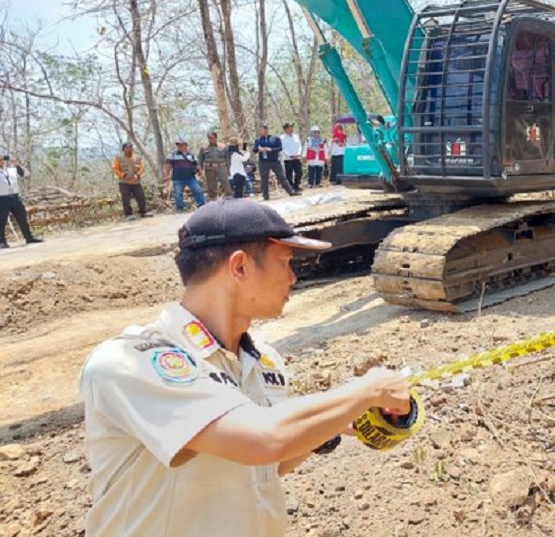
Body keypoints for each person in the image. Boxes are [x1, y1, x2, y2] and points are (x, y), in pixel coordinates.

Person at [78, 199, 412, 535]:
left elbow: (266, 463)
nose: (294, 277)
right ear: (239, 267)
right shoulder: (132, 363)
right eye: (285, 263)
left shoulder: (262, 359)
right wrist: (368, 389)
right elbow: (264, 437)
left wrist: (334, 421)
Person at [0, 154, 43, 248]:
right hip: (2, 198)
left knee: (22, 217)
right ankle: (2, 242)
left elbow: (24, 174)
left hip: (15, 197)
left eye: (2, 159)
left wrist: (15, 163)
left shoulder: (11, 170)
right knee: (1, 220)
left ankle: (29, 237)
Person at [252, 124, 300, 201]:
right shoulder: (258, 140)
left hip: (274, 161)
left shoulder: (275, 138)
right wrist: (258, 149)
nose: (260, 132)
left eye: (261, 130)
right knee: (264, 179)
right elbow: (254, 150)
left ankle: (291, 192)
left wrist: (270, 149)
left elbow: (280, 148)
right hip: (263, 162)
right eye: (259, 130)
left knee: (281, 177)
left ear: (266, 130)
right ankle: (266, 195)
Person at [164, 139, 206, 212]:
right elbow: (168, 165)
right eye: (178, 145)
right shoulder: (172, 154)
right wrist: (166, 175)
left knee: (197, 190)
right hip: (177, 178)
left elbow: (197, 165)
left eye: (181, 144)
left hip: (190, 177)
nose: (179, 146)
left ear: (185, 145)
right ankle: (181, 208)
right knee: (178, 193)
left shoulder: (192, 155)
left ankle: (202, 206)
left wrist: (201, 174)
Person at [111, 142, 148, 218]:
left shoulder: (138, 158)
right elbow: (115, 169)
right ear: (124, 149)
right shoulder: (118, 158)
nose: (129, 149)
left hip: (136, 182)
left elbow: (142, 168)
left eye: (131, 147)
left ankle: (143, 212)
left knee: (141, 196)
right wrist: (123, 175)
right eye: (127, 147)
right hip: (124, 182)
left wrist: (137, 174)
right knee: (126, 199)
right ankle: (128, 215)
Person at [198, 131, 232, 201]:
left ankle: (229, 196)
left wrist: (228, 170)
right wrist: (200, 171)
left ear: (216, 137)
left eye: (212, 137)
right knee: (211, 184)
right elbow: (200, 160)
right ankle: (213, 198)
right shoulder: (204, 148)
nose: (210, 139)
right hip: (209, 168)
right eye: (209, 138)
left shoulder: (223, 147)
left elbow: (227, 159)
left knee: (225, 181)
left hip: (221, 167)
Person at [280, 122, 303, 192]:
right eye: (290, 127)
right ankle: (291, 187)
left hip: (296, 157)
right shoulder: (282, 138)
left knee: (299, 172)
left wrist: (298, 154)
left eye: (292, 127)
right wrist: (290, 155)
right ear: (286, 129)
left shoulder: (296, 136)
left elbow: (300, 146)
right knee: (289, 174)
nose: (292, 129)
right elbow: (282, 148)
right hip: (288, 158)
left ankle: (296, 185)